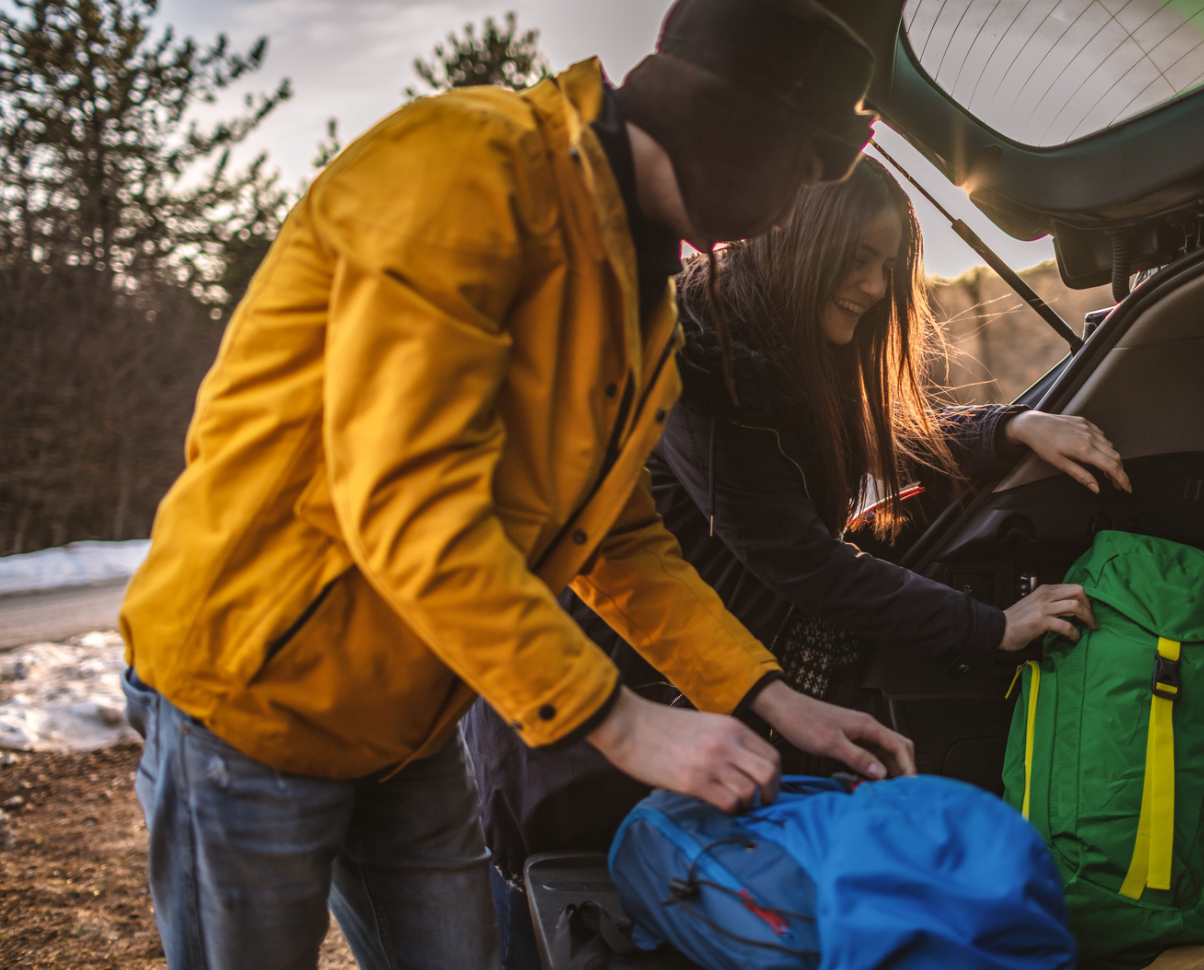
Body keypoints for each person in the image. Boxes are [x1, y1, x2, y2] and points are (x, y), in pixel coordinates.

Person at [115, 2, 915, 968]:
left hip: (414, 713)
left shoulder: (638, 296)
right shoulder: (467, 172)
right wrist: (616, 721)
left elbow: (618, 544)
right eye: (801, 168)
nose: (794, 206)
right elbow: (406, 497)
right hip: (254, 695)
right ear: (742, 128)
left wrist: (767, 694)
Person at [469, 155, 1133, 968]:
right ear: (800, 244)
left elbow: (877, 431)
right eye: (858, 257)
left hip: (689, 695)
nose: (874, 282)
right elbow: (802, 561)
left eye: (887, 264)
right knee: (557, 933)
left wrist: (1010, 427)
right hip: (589, 711)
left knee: (677, 915)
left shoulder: (783, 350)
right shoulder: (702, 367)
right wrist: (991, 627)